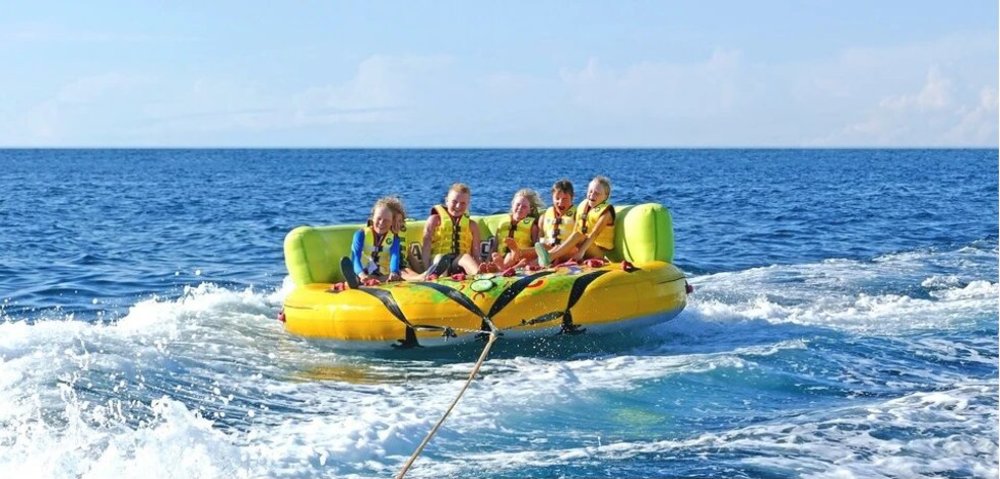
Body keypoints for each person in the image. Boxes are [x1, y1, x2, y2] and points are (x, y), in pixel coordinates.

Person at [536, 175, 615, 266]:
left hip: (601, 252)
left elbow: (595, 233)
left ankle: (550, 257)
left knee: (579, 235)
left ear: (606, 196)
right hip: (586, 246)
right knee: (574, 235)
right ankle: (548, 257)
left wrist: (581, 252)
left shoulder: (607, 213)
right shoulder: (584, 206)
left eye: (597, 193)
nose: (592, 195)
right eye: (590, 191)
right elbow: (576, 230)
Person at [421, 183, 484, 276]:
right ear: (446, 201)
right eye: (454, 202)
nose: (458, 206)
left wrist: (480, 265)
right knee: (440, 259)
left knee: (466, 257)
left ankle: (481, 278)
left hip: (459, 262)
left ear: (468, 204)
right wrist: (425, 271)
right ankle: (438, 282)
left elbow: (476, 254)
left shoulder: (472, 225)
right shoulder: (434, 220)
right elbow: (426, 248)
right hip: (437, 262)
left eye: (463, 203)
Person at [349, 196, 405, 284]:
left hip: (382, 276)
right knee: (361, 277)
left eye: (386, 220)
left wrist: (394, 272)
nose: (381, 223)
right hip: (362, 273)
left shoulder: (394, 238)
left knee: (402, 274)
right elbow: (355, 257)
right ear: (373, 218)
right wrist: (361, 274)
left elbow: (395, 256)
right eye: (379, 218)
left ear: (391, 222)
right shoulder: (360, 234)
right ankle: (357, 280)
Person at [489, 188, 543, 270]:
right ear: (512, 205)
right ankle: (500, 268)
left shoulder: (533, 227)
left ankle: (501, 269)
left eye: (524, 206)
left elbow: (537, 249)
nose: (520, 208)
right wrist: (486, 261)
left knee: (511, 255)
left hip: (519, 259)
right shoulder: (502, 223)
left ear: (530, 210)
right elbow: (494, 247)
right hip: (500, 259)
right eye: (517, 204)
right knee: (495, 255)